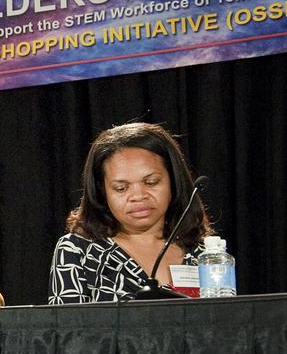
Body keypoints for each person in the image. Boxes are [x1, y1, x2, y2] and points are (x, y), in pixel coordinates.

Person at [50, 122, 213, 303]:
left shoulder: (204, 253)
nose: (138, 196)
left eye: (151, 182)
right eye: (121, 188)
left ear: (174, 181)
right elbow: (66, 330)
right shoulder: (78, 250)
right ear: (102, 191)